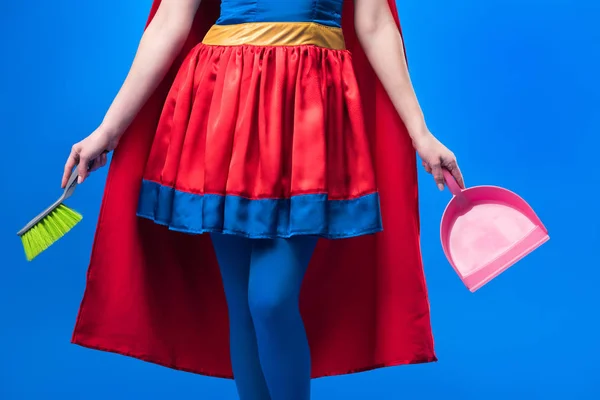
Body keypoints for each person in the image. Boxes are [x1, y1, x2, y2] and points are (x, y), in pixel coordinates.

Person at [64, 1, 464, 399]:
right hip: (225, 103)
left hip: (306, 111)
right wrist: (109, 130)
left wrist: (420, 133)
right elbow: (169, 22)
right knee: (242, 307)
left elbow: (375, 24)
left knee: (270, 301)